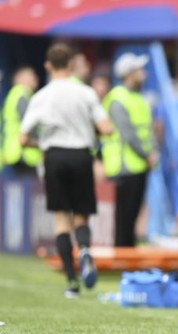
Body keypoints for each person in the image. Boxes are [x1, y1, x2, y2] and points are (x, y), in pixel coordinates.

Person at [19, 43, 114, 298]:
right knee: (81, 216)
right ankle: (83, 250)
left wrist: (43, 143)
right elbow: (107, 128)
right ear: (71, 65)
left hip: (55, 156)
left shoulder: (41, 96)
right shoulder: (85, 93)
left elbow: (22, 137)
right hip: (82, 156)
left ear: (48, 65)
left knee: (61, 219)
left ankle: (72, 282)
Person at [102, 52, 158, 247]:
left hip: (140, 166)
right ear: (128, 74)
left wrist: (152, 153)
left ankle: (128, 254)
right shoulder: (118, 99)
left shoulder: (138, 98)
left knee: (133, 215)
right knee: (124, 218)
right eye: (138, 70)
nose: (143, 73)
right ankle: (122, 255)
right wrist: (148, 154)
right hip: (125, 167)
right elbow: (128, 134)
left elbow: (147, 131)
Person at [1, 66, 40, 177]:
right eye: (31, 75)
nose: (35, 78)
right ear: (21, 79)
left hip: (14, 153)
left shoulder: (13, 95)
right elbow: (29, 124)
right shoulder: (21, 95)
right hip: (23, 154)